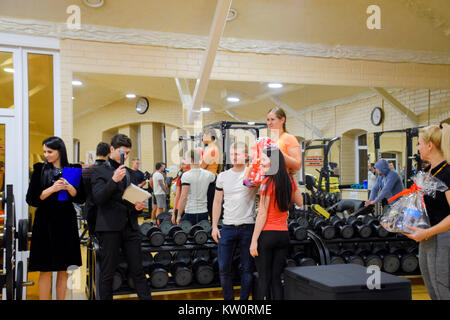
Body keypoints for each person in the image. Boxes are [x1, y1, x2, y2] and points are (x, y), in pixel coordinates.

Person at [91, 134, 151, 300]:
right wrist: (113, 180)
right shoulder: (99, 171)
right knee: (108, 273)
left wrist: (137, 207)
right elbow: (98, 199)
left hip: (130, 228)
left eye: (128, 152)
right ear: (112, 150)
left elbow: (127, 199)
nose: (126, 156)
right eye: (122, 152)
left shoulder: (130, 173)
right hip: (109, 228)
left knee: (138, 271)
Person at [26, 136, 85, 300]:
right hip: (45, 223)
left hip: (66, 222)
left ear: (60, 151)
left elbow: (81, 198)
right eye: (44, 151)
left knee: (63, 269)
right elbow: (31, 199)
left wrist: (70, 188)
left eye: (50, 151)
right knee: (45, 269)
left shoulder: (73, 169)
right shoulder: (39, 169)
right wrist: (52, 189)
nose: (46, 155)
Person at [403, 123, 450, 300]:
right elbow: (418, 204)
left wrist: (428, 232)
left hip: (442, 237)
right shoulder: (426, 171)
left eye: (419, 143)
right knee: (432, 288)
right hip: (426, 236)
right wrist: (398, 220)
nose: (418, 148)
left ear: (430, 146)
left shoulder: (447, 173)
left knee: (443, 289)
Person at [249, 146, 303, 300]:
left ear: (272, 162)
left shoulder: (266, 182)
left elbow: (262, 213)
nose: (260, 163)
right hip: (283, 236)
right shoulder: (289, 180)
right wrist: (292, 180)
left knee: (263, 278)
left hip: (267, 236)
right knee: (276, 279)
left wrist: (253, 241)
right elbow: (300, 201)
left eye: (264, 160)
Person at [211, 142, 257, 300]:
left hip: (248, 227)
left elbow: (253, 188)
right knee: (224, 268)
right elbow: (217, 202)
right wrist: (214, 226)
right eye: (232, 154)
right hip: (228, 227)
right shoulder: (223, 176)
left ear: (245, 155)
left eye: (237, 154)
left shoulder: (251, 175)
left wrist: (251, 170)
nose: (234, 157)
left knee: (247, 269)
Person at [176, 149, 216, 226]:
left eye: (186, 158)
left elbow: (183, 197)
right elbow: (216, 182)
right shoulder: (209, 175)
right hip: (203, 213)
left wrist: (179, 215)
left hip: (190, 213)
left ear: (190, 160)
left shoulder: (186, 175)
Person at [82, 141, 110, 235]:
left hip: (90, 209)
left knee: (93, 237)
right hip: (105, 211)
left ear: (96, 153)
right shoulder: (110, 172)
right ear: (108, 154)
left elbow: (83, 192)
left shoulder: (86, 171)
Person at [266, 107, 302, 175]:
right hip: (271, 179)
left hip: (283, 181)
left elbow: (297, 165)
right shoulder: (271, 141)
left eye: (272, 119)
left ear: (282, 120)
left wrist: (279, 154)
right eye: (268, 120)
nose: (269, 123)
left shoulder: (289, 138)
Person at [201, 128, 221, 221]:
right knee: (210, 206)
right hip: (211, 178)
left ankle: (214, 227)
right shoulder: (212, 147)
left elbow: (202, 166)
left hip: (210, 180)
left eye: (203, 135)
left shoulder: (212, 149)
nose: (202, 137)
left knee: (210, 206)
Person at [171, 158, 191, 225]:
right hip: (180, 208)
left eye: (184, 164)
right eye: (181, 164)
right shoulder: (180, 177)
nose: (182, 166)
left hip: (189, 208)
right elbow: (177, 196)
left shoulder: (191, 175)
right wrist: (173, 213)